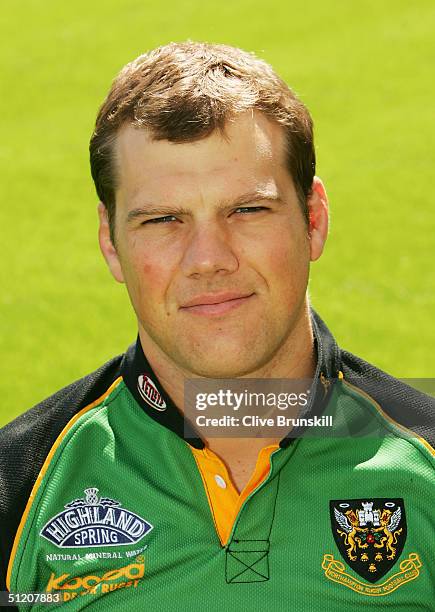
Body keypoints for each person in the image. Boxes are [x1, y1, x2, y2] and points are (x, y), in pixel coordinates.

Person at [0, 42, 433, 611]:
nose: (209, 258)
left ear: (314, 219)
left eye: (247, 210)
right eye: (163, 219)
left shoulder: (422, 461)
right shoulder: (20, 486)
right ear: (111, 241)